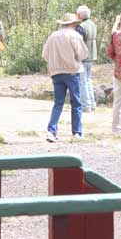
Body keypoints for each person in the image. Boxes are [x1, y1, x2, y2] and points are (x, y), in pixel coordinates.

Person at [42, 13, 88, 143]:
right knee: (76, 103)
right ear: (73, 24)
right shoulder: (75, 36)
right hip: (72, 72)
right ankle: (77, 133)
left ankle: (51, 131)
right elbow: (83, 54)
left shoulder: (52, 36)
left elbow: (45, 54)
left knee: (58, 103)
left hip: (56, 72)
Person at [76, 5, 97, 114]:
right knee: (89, 80)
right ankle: (92, 103)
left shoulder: (81, 27)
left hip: (84, 57)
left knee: (83, 82)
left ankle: (86, 106)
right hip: (92, 56)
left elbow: (78, 43)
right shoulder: (93, 24)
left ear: (79, 15)